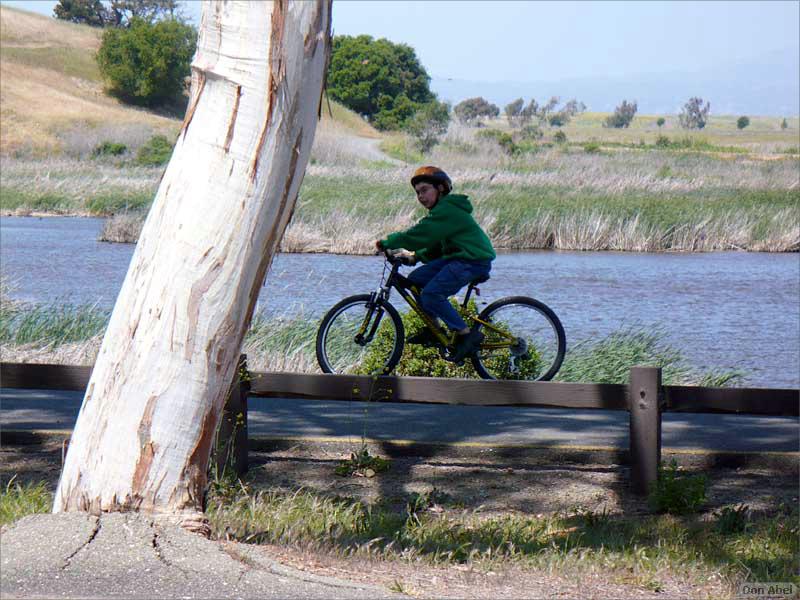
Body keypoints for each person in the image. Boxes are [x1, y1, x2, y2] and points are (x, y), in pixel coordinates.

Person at [375, 166, 495, 363]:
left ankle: (466, 334)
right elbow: (438, 246)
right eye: (417, 193)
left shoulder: (447, 210)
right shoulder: (442, 213)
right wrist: (415, 257)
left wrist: (389, 242)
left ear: (440, 188)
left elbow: (420, 234)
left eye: (424, 190)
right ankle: (434, 329)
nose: (420, 196)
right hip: (457, 259)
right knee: (415, 280)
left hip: (472, 260)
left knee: (431, 294)